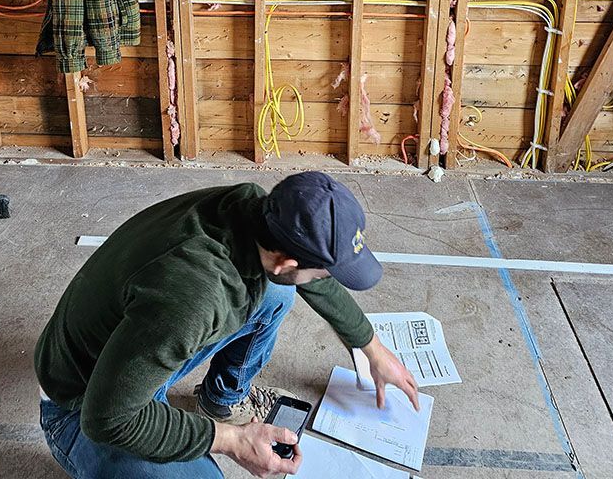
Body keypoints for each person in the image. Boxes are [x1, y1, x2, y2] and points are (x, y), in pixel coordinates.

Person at [36, 172, 419, 478]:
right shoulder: (195, 298)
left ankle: (220, 398)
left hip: (129, 348)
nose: (324, 279)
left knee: (277, 294)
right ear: (287, 263)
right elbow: (109, 420)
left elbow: (305, 278)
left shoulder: (252, 206)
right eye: (323, 272)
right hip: (82, 406)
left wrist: (372, 347)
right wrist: (234, 441)